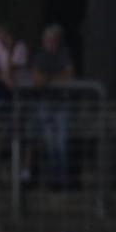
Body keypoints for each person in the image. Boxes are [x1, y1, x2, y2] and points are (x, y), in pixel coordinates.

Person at [31, 25, 76, 189]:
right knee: (50, 144)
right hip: (45, 103)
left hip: (62, 104)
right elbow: (35, 77)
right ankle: (54, 179)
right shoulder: (40, 55)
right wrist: (50, 79)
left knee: (61, 143)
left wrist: (49, 79)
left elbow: (69, 75)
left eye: (53, 39)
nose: (50, 42)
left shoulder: (64, 53)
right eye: (47, 39)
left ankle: (64, 179)